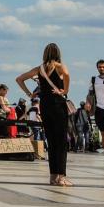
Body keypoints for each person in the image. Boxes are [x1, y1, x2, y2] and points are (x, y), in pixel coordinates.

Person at [15, 42, 72, 186]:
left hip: (45, 106)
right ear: (58, 53)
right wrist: (64, 91)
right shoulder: (59, 66)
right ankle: (61, 176)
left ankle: (53, 176)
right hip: (58, 105)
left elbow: (19, 79)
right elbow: (67, 74)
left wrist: (30, 94)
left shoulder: (39, 69)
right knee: (61, 142)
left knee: (51, 142)